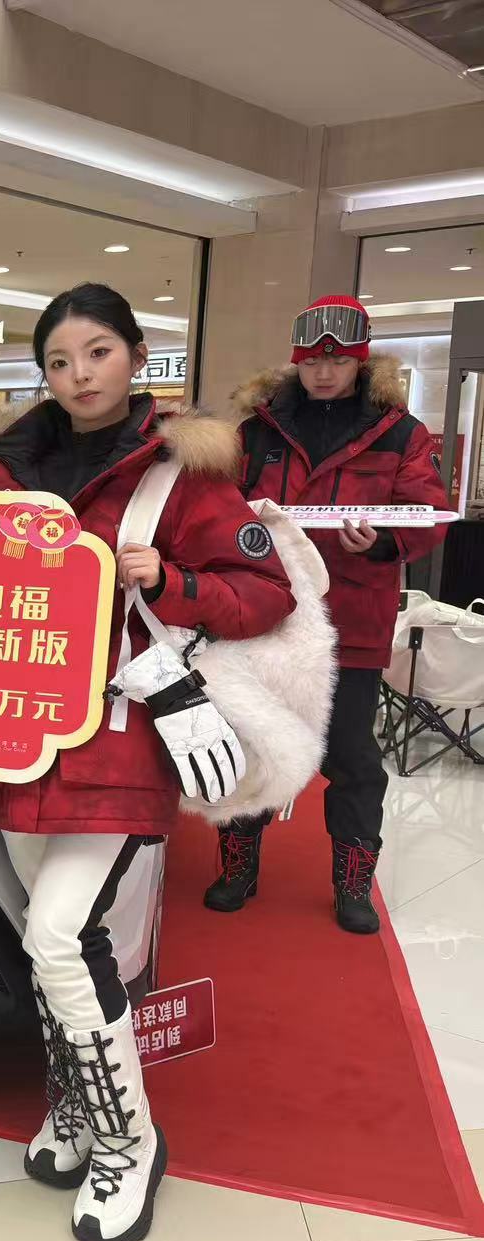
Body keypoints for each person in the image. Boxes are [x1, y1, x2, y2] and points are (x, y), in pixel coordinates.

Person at [0, 283, 294, 1241]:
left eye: (97, 352)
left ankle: (129, 1143)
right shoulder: (1, 465)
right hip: (7, 736)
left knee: (58, 935)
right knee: (55, 938)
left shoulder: (181, 471)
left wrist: (173, 579)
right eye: (58, 361)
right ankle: (73, 1104)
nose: (78, 375)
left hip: (118, 735)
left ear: (136, 356)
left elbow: (263, 593)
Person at [206, 296, 449, 934]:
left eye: (337, 360)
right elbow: (218, 503)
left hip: (353, 619)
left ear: (360, 361)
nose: (323, 371)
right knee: (252, 739)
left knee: (351, 755)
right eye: (312, 360)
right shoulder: (258, 429)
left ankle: (353, 884)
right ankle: (237, 867)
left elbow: (425, 511)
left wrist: (386, 541)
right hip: (265, 613)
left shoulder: (399, 432)